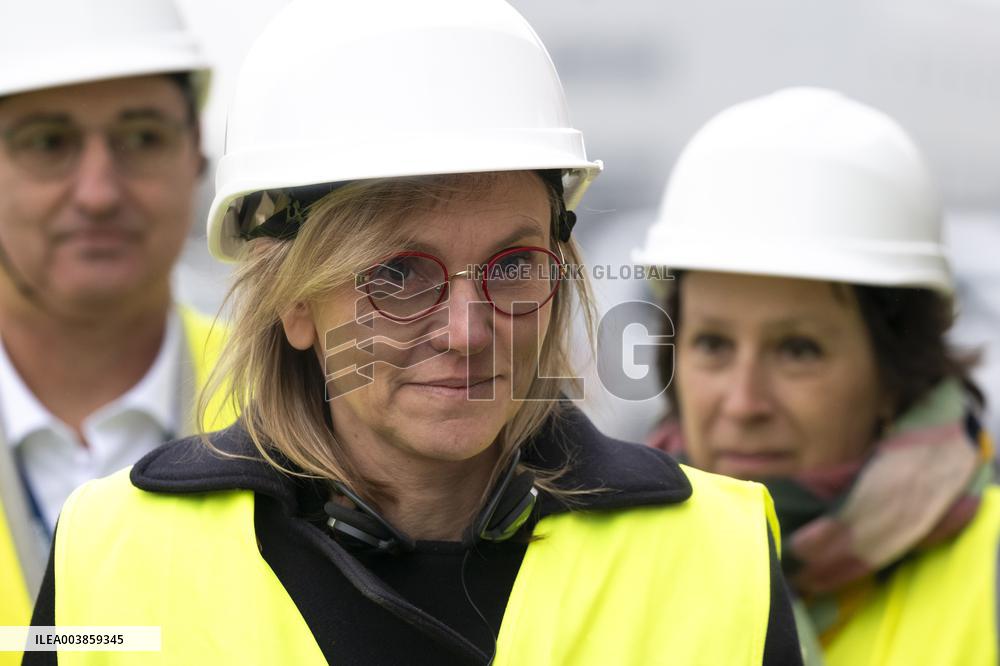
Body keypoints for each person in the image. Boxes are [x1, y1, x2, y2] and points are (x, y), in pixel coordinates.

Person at [29, 2, 802, 664]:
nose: (467, 333)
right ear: (294, 304)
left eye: (511, 265)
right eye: (397, 276)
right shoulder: (112, 554)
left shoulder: (714, 552)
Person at [637, 87, 998, 666]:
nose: (743, 402)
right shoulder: (600, 562)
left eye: (798, 350)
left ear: (895, 371)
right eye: (712, 344)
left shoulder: (990, 569)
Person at [0, 0, 227, 641]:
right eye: (48, 142)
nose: (98, 192)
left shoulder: (304, 405)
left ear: (197, 160)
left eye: (142, 138)